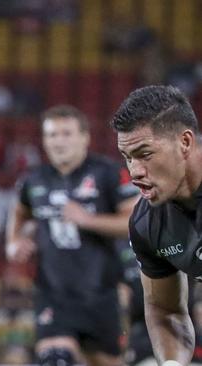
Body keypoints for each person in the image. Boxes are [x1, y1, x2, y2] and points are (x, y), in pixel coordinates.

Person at [6, 105, 139, 366]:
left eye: (67, 134)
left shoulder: (108, 173)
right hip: (52, 293)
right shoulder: (34, 179)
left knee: (106, 360)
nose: (59, 141)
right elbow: (19, 211)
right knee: (55, 359)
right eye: (52, 135)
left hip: (101, 293)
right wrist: (14, 242)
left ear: (85, 137)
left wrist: (88, 220)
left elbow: (135, 223)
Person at [111, 85, 202, 366]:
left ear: (184, 142)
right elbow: (166, 311)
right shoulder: (146, 225)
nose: (134, 172)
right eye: (128, 158)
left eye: (144, 154)